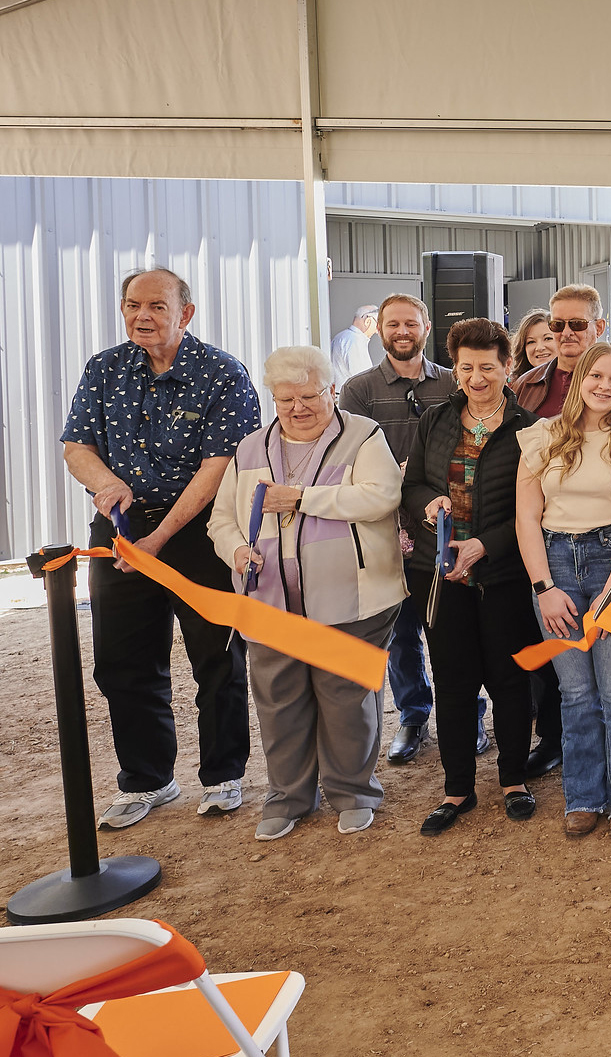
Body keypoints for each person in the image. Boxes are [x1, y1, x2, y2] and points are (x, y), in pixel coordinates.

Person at [61, 267, 258, 829]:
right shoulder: (104, 369)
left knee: (216, 655)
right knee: (122, 659)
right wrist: (105, 482)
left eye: (155, 306)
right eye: (131, 305)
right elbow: (77, 446)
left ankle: (223, 776)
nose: (140, 316)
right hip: (121, 530)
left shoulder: (222, 373)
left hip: (196, 531)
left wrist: (161, 536)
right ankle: (148, 780)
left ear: (185, 313)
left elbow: (220, 466)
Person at [209, 344, 403, 840]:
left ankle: (353, 791)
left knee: (345, 696)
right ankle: (288, 795)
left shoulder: (364, 435)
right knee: (279, 697)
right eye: (285, 399)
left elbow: (381, 497)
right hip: (269, 597)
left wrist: (300, 497)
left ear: (332, 391)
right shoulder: (250, 448)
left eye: (309, 397)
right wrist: (235, 551)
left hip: (353, 594)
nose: (297, 408)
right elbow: (222, 520)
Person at [402, 318, 546, 835]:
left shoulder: (530, 428)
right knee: (454, 682)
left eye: (488, 366)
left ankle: (513, 780)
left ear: (509, 367)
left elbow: (534, 510)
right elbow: (412, 485)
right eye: (467, 367)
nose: (477, 377)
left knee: (509, 680)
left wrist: (485, 544)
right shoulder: (435, 420)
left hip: (503, 572)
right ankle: (456, 788)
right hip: (438, 573)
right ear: (454, 369)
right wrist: (428, 507)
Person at [516, 341, 611, 838]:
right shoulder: (540, 437)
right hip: (555, 560)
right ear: (581, 380)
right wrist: (544, 588)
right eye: (597, 376)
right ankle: (583, 795)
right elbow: (526, 519)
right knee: (575, 691)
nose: (604, 386)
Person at [339, 293, 474, 766]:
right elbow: (349, 459)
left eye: (410, 323)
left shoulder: (453, 384)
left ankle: (470, 710)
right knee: (400, 630)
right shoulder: (358, 390)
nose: (402, 331)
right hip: (383, 528)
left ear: (426, 327)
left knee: (454, 623)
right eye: (392, 323)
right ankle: (414, 714)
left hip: (446, 523)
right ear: (379, 328)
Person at [511, 285, 611, 420]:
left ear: (599, 328)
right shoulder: (525, 384)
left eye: (577, 324)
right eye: (558, 324)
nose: (566, 332)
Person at [329, 305, 378, 384]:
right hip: (349, 394)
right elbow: (362, 378)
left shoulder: (342, 336)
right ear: (368, 321)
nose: (377, 331)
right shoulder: (355, 341)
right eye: (377, 324)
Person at [509, 310, 556, 379]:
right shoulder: (515, 386)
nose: (539, 348)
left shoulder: (576, 381)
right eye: (531, 342)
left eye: (547, 338)